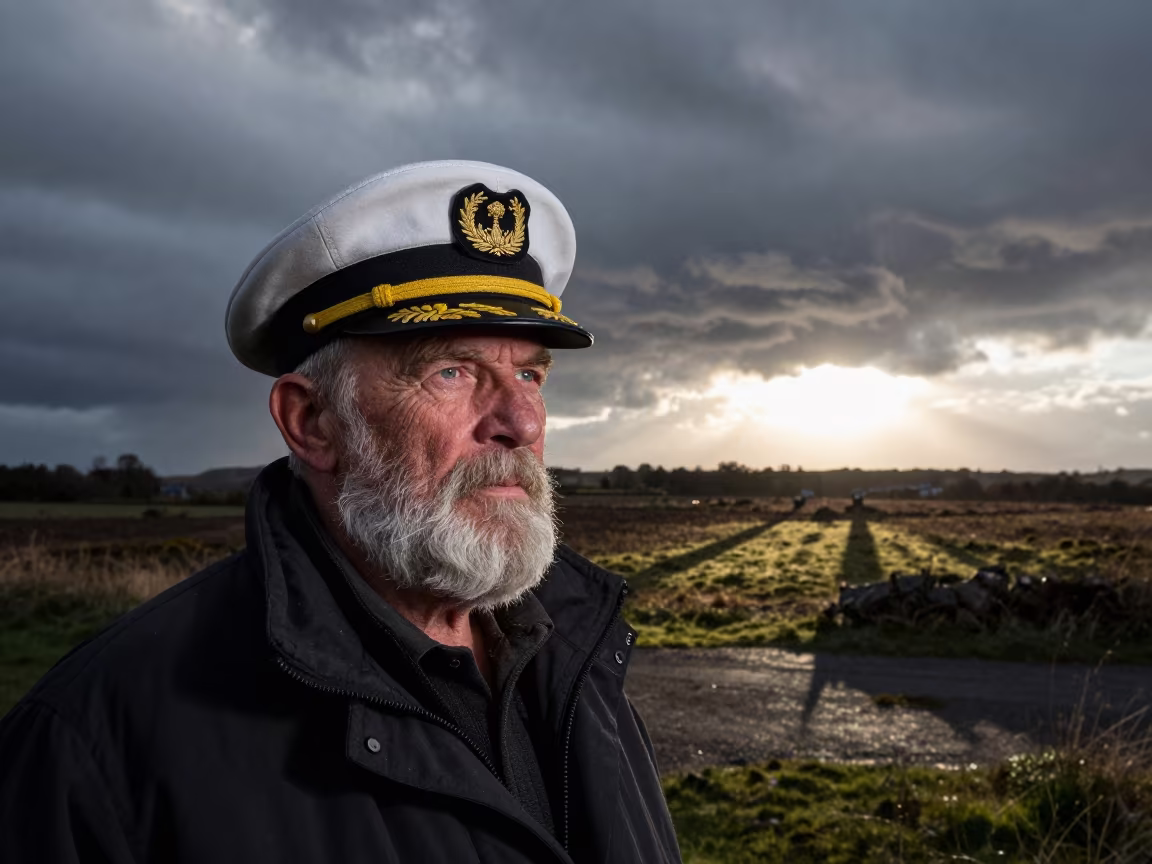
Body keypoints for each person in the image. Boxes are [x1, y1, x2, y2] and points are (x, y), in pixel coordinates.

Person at [0, 161, 681, 863]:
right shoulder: (98, 745)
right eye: (451, 371)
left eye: (529, 373)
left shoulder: (577, 660)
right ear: (313, 422)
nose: (522, 422)